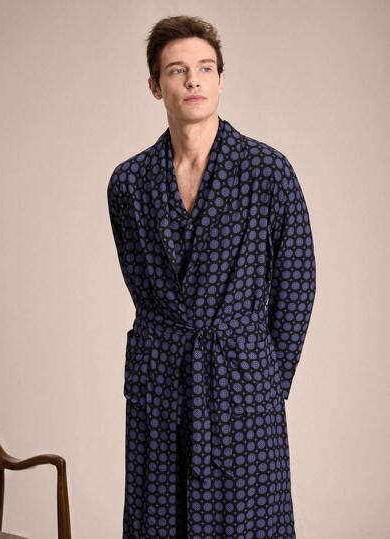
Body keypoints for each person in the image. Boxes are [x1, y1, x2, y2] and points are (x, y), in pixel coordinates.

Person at [107, 14, 316, 539]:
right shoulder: (129, 183)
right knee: (159, 520)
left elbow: (297, 283)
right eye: (177, 70)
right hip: (161, 378)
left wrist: (265, 380)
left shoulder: (267, 173)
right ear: (156, 86)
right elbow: (139, 282)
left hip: (241, 379)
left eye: (205, 68)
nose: (193, 80)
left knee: (249, 520)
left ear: (222, 80)